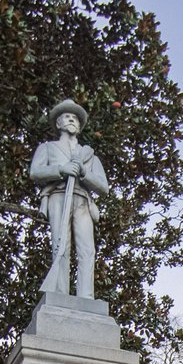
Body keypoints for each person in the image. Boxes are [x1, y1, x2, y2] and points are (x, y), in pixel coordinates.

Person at [30, 98, 110, 298]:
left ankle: (86, 296)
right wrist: (61, 169)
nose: (72, 119)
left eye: (75, 117)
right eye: (67, 116)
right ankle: (60, 295)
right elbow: (35, 172)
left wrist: (84, 172)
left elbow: (103, 187)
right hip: (58, 197)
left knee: (87, 250)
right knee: (61, 247)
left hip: (82, 200)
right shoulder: (48, 148)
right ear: (58, 123)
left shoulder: (88, 155)